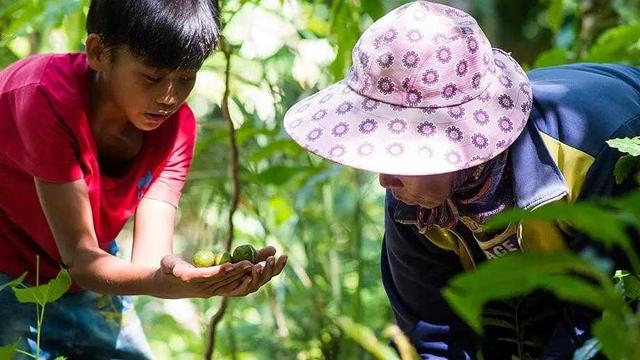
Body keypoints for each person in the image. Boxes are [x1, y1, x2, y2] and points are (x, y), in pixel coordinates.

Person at [283, 1, 640, 359]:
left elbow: (604, 321)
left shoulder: (595, 154)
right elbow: (431, 336)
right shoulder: (414, 202)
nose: (385, 180)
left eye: (396, 153)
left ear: (457, 138)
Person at [0, 0, 287, 358]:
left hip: (89, 271)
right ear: (98, 52)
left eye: (186, 78)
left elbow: (152, 262)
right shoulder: (41, 96)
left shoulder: (177, 128)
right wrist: (164, 281)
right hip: (9, 268)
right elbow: (81, 256)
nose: (169, 97)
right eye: (152, 77)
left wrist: (198, 282)